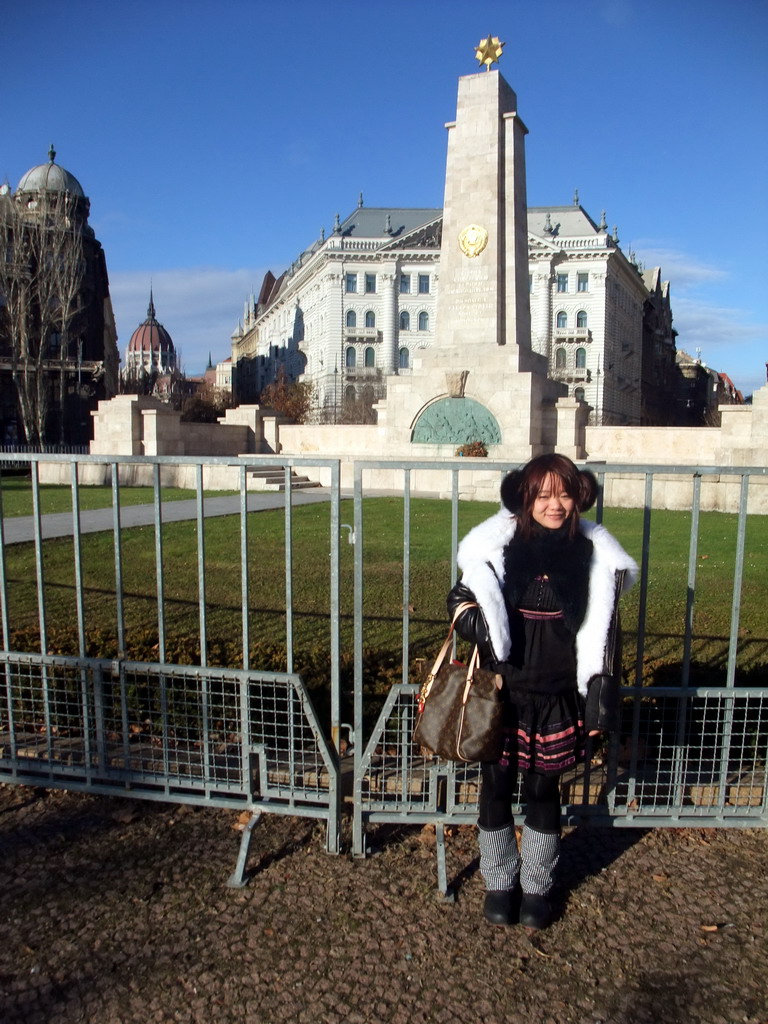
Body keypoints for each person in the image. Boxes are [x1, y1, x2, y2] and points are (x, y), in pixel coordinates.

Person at [447, 453, 638, 929]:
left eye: (565, 493)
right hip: (502, 690)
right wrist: (482, 628)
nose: (556, 504)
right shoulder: (498, 544)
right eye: (545, 494)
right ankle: (498, 881)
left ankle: (536, 885)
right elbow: (460, 598)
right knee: (494, 787)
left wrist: (599, 696)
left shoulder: (594, 552)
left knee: (543, 789)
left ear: (580, 495)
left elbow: (606, 631)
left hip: (556, 692)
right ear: (525, 497)